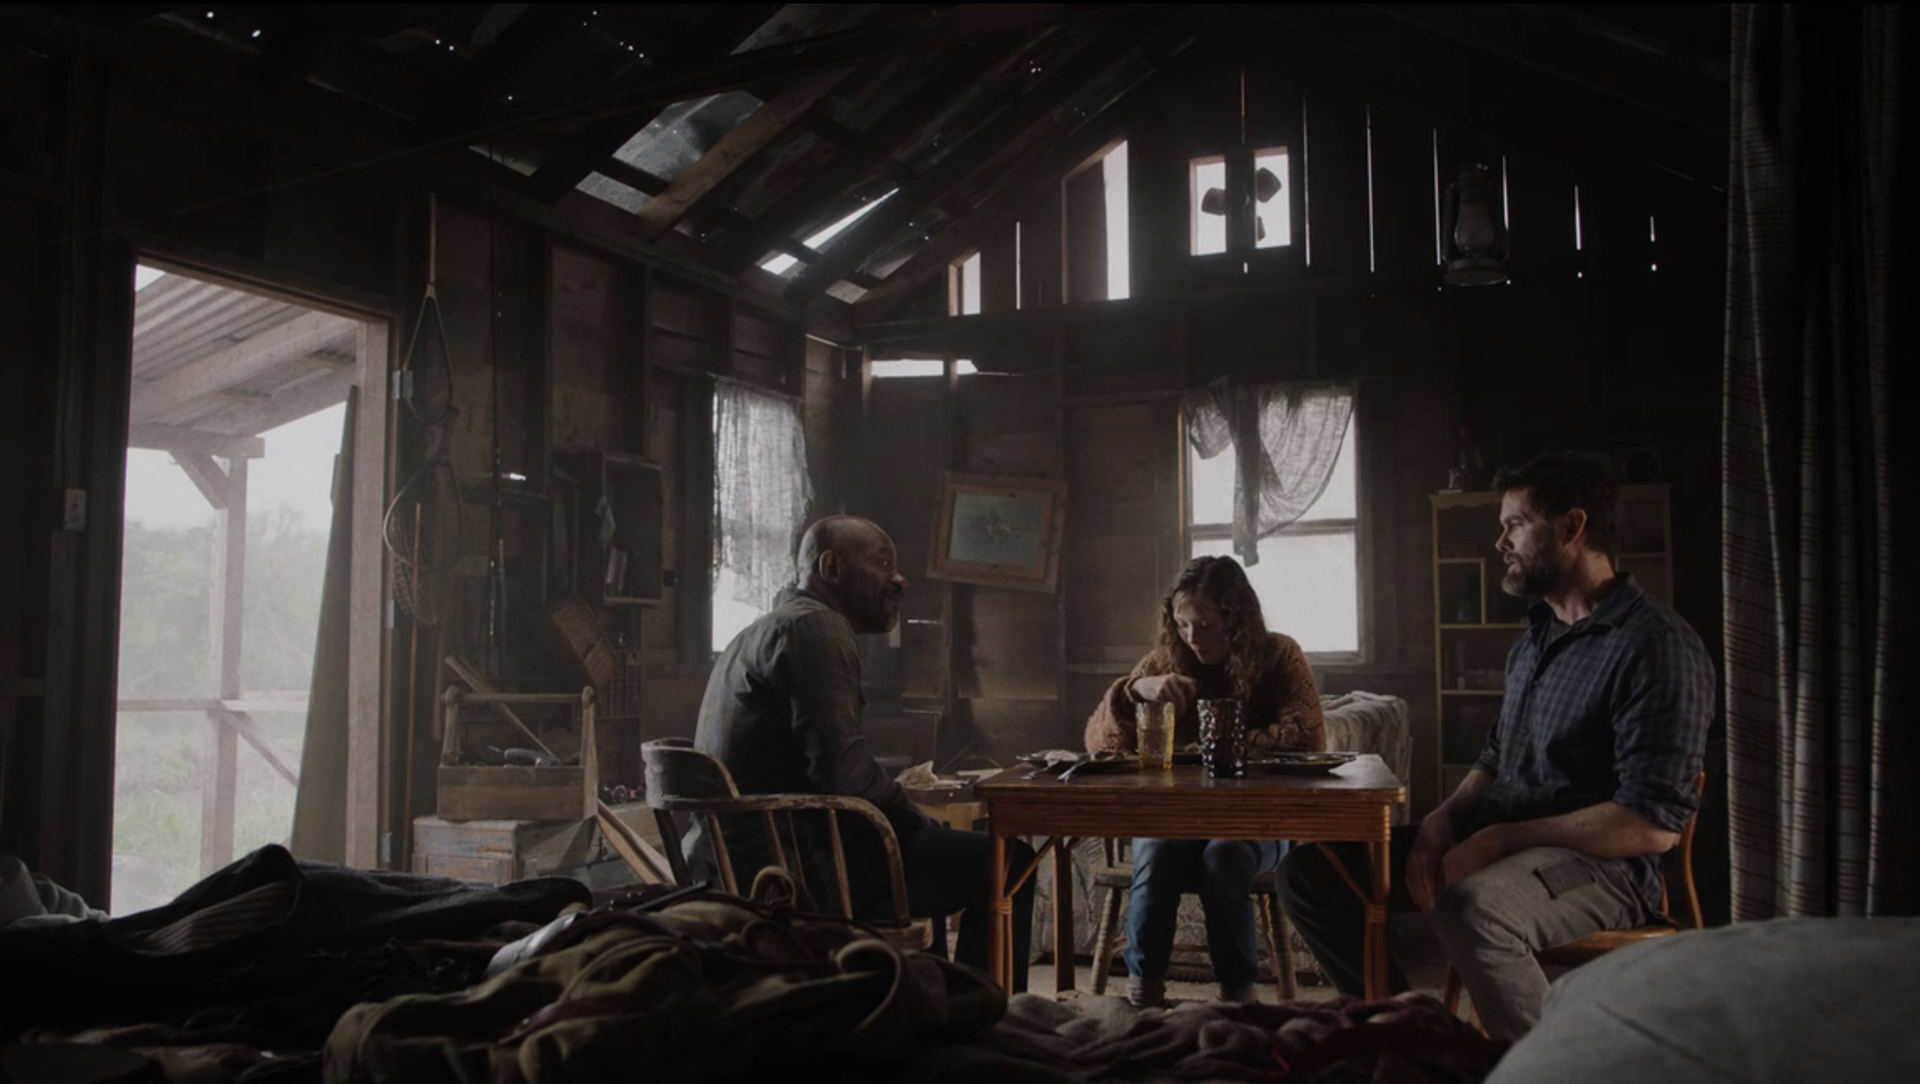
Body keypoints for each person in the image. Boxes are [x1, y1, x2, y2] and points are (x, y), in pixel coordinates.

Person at [1279, 454, 1716, 1041]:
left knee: (1471, 908)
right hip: (1498, 838)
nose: (1501, 542)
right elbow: (1493, 758)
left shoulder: (1655, 645)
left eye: (1515, 524)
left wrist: (1503, 839)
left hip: (1603, 868)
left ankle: (1545, 1067)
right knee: (1308, 872)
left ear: (1571, 527)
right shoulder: (1534, 639)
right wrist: (1443, 818)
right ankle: (1413, 1036)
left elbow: (1650, 826)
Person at [684, 515, 1036, 989]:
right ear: (831, 568)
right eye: (884, 564)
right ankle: (984, 1014)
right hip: (794, 876)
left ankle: (928, 1004)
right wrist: (912, 817)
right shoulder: (816, 628)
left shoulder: (762, 630)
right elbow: (842, 772)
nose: (899, 579)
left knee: (924, 850)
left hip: (738, 865)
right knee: (1010, 862)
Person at [1084, 554, 1325, 1007]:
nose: (1194, 637)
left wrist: (1233, 741)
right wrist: (1135, 691)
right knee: (1158, 851)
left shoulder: (1279, 655)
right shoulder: (1165, 661)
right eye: (1183, 624)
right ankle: (1143, 997)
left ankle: (1237, 1000)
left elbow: (1307, 736)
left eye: (1206, 624)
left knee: (1224, 857)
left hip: (1257, 822)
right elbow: (1101, 744)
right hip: (1174, 819)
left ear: (1236, 617)